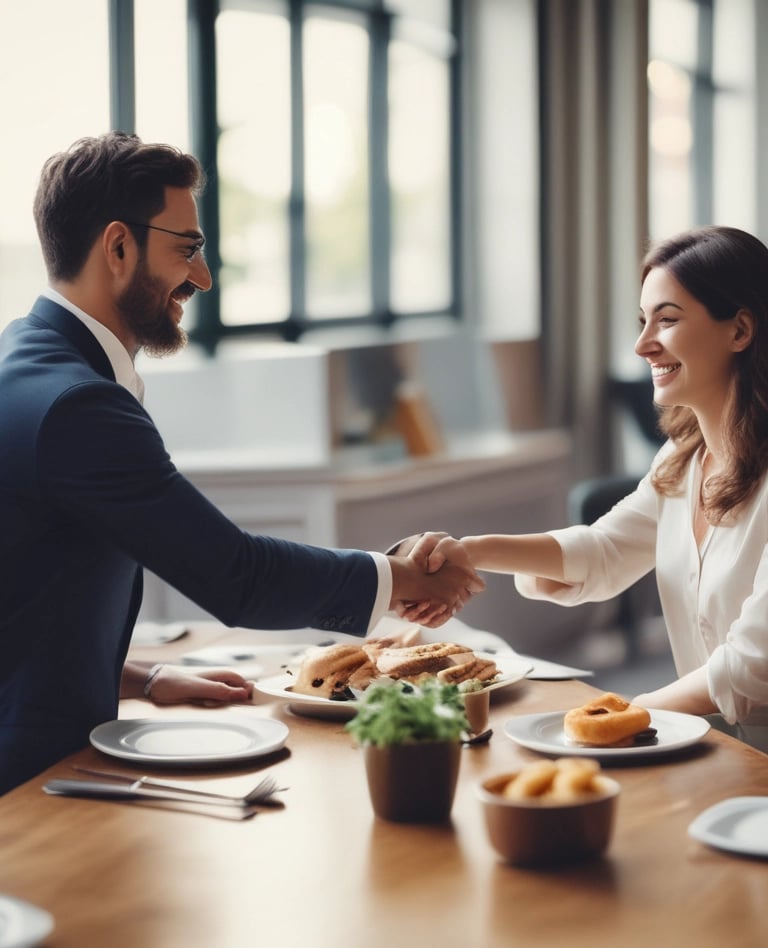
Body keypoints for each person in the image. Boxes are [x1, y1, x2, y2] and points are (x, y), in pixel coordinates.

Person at [0, 132, 483, 793]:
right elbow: (238, 576)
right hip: (24, 782)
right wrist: (402, 578)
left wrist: (145, 677)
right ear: (117, 247)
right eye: (187, 249)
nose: (200, 276)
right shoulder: (77, 406)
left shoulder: (25, 360)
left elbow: (27, 600)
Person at [400, 226, 768, 745]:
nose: (643, 345)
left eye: (667, 319)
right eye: (644, 321)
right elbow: (603, 550)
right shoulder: (683, 461)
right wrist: (470, 551)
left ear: (740, 330)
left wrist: (620, 713)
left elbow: (753, 663)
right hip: (714, 743)